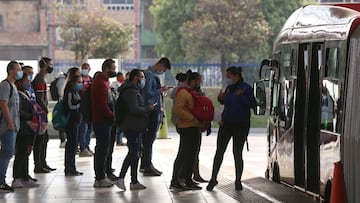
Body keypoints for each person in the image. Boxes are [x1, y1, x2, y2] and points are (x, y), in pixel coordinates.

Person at [207, 66, 256, 191]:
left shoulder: (246, 88)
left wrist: (237, 97)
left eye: (229, 76)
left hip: (241, 124)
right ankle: (213, 178)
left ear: (236, 76)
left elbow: (252, 104)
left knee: (237, 153)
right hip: (226, 123)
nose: (227, 79)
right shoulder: (230, 88)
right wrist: (221, 98)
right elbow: (225, 102)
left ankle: (238, 180)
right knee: (219, 151)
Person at [114, 69, 153, 191]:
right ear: (135, 77)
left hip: (135, 126)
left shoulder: (134, 90)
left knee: (135, 154)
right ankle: (121, 178)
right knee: (132, 153)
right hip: (131, 126)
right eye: (142, 77)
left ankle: (134, 181)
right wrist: (148, 109)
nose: (143, 80)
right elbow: (134, 109)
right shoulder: (130, 91)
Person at [170, 71, 204, 190]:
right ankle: (175, 181)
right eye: (197, 81)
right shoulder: (183, 92)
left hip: (193, 126)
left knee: (192, 155)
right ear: (191, 81)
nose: (198, 84)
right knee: (183, 154)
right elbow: (178, 109)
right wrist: (192, 118)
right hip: (186, 127)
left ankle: (188, 180)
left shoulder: (192, 93)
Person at [141, 57, 171, 176]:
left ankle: (145, 164)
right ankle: (147, 165)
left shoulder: (151, 75)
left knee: (148, 139)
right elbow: (147, 93)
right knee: (149, 139)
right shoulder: (149, 75)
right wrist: (160, 90)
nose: (163, 72)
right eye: (163, 69)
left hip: (154, 109)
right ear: (160, 65)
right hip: (152, 110)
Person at [91, 58, 116, 188]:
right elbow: (102, 105)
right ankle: (100, 178)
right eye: (113, 68)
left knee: (104, 149)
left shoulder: (104, 81)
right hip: (102, 121)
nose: (114, 71)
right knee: (102, 150)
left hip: (104, 121)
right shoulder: (100, 82)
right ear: (106, 68)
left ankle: (102, 175)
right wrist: (111, 116)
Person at [12, 73, 39, 188]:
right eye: (26, 81)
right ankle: (17, 177)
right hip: (23, 127)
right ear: (19, 83)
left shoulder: (27, 93)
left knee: (26, 153)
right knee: (21, 153)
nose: (28, 83)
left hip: (29, 128)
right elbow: (17, 110)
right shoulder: (17, 95)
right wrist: (30, 116)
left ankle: (25, 176)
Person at [32, 57, 56, 173]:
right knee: (40, 139)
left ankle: (43, 162)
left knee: (44, 138)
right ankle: (39, 164)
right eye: (50, 64)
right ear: (45, 65)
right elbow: (39, 98)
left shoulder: (42, 78)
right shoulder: (40, 79)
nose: (51, 66)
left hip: (42, 113)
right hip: (40, 114)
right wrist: (45, 110)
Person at [0, 61, 21, 192]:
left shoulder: (13, 85)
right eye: (18, 69)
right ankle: (1, 180)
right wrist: (9, 122)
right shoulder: (5, 85)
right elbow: (3, 104)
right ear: (11, 70)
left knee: (7, 152)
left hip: (13, 125)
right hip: (7, 126)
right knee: (7, 152)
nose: (20, 72)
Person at [63, 74, 84, 176]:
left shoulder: (76, 92)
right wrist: (80, 104)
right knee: (71, 144)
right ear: (72, 83)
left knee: (74, 145)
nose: (80, 84)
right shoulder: (69, 92)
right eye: (78, 82)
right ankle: (69, 167)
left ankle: (72, 167)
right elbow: (70, 106)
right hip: (71, 121)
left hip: (76, 120)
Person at [79, 63, 94, 157]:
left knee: (90, 129)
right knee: (83, 129)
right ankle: (83, 147)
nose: (84, 69)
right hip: (82, 107)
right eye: (83, 68)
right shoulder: (79, 79)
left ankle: (87, 146)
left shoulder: (91, 80)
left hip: (90, 107)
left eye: (86, 68)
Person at [55, 72, 67, 148]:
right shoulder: (62, 80)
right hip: (63, 103)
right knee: (63, 121)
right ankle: (63, 140)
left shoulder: (61, 80)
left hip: (63, 102)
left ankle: (63, 139)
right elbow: (61, 92)